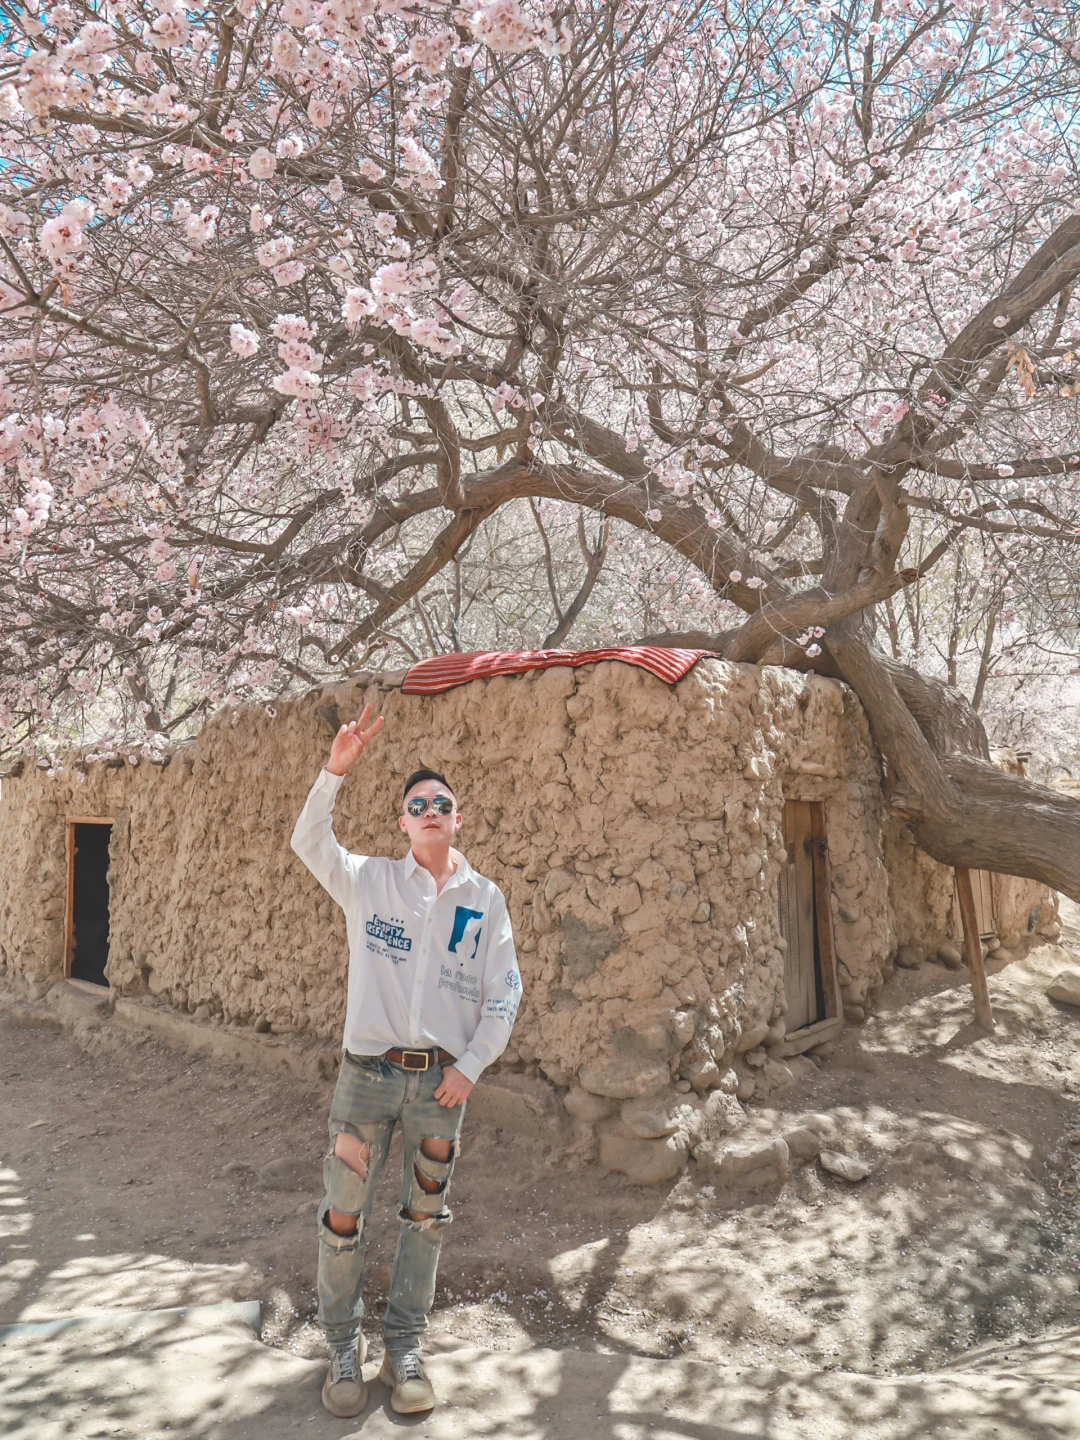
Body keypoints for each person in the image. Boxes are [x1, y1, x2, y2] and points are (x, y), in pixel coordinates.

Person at [290, 706, 522, 1419]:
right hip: (365, 1078)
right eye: (416, 805)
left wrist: (472, 1066)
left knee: (427, 1217)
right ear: (402, 823)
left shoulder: (483, 901)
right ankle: (342, 1349)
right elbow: (308, 840)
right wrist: (337, 768)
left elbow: (505, 992)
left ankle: (405, 1349)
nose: (428, 812)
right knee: (343, 1216)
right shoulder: (368, 883)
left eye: (440, 804)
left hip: (439, 1087)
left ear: (460, 819)